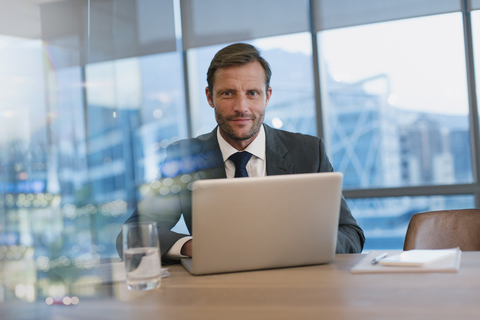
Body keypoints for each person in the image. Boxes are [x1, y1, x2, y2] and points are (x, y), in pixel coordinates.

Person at [117, 43, 365, 263]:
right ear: (209, 97)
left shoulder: (310, 152)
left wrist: (300, 247)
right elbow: (134, 233)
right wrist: (195, 247)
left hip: (295, 286)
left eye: (252, 93)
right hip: (216, 292)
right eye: (228, 93)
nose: (241, 107)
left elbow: (351, 234)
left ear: (267, 96)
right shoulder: (184, 157)